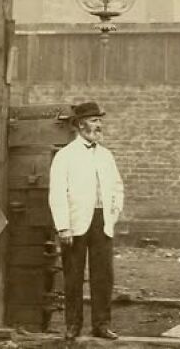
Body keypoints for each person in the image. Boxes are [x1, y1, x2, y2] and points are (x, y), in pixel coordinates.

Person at [49, 101, 124, 341]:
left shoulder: (106, 155)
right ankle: (73, 325)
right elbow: (57, 192)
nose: (99, 125)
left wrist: (114, 212)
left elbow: (117, 186)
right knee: (73, 276)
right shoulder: (65, 156)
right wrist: (63, 226)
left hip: (102, 221)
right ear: (81, 125)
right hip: (75, 223)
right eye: (94, 120)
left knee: (103, 276)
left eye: (100, 120)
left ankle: (101, 324)